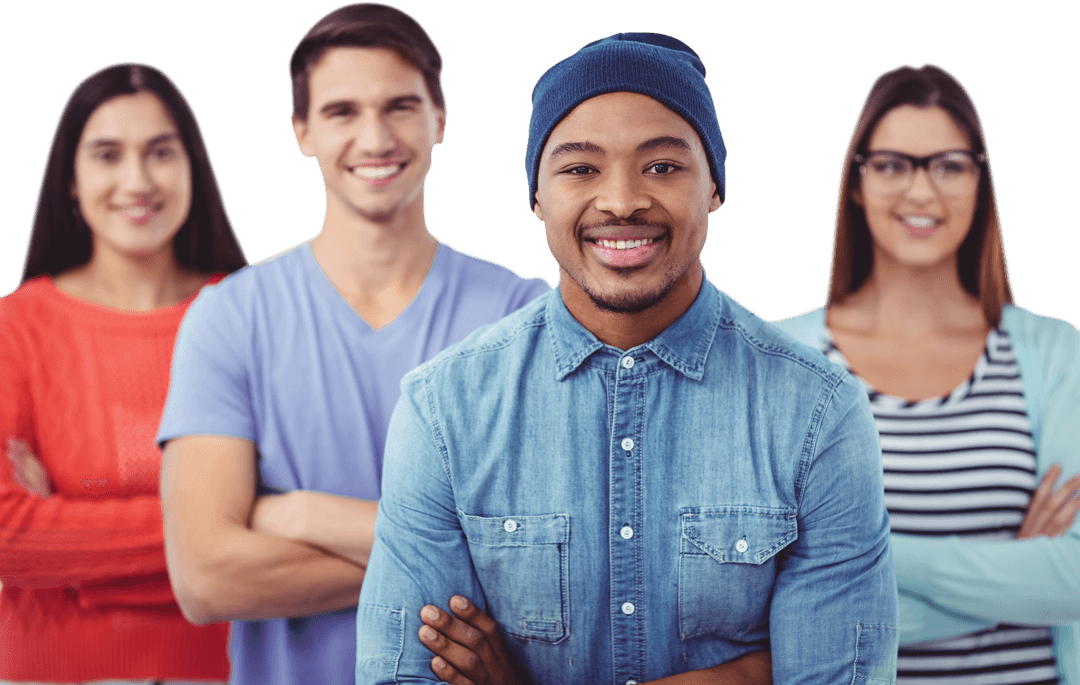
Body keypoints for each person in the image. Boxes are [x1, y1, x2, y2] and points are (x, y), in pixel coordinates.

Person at [356, 32, 899, 685]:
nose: (621, 201)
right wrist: (751, 673)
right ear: (536, 196)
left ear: (715, 188)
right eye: (580, 168)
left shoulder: (817, 413)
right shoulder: (443, 408)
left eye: (663, 166)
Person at [156, 4, 549, 685]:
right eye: (342, 112)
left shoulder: (523, 314)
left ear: (440, 120)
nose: (375, 136)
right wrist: (451, 554)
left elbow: (543, 560)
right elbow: (205, 577)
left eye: (400, 106)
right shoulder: (230, 318)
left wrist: (301, 513)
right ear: (302, 131)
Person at [773, 63, 1080, 684]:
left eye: (949, 164)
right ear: (856, 182)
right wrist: (1012, 570)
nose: (921, 192)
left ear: (980, 181)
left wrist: (859, 563)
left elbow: (1073, 581)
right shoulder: (781, 359)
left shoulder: (1056, 355)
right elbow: (774, 614)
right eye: (892, 164)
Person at [0, 62, 247, 683]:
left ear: (193, 167)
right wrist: (221, 529)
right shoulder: (15, 328)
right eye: (108, 155)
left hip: (231, 670)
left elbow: (309, 507)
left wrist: (80, 561)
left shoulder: (255, 314)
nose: (137, 181)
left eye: (160, 153)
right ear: (72, 182)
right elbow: (7, 535)